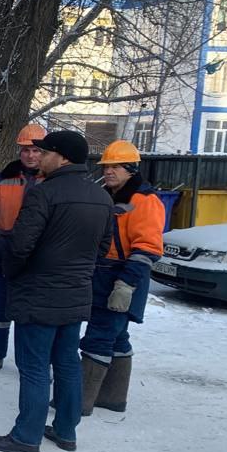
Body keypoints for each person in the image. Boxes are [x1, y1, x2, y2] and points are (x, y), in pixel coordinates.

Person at [0, 131, 113, 452]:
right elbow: (102, 249)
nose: (39, 157)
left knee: (35, 365)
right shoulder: (101, 197)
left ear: (63, 157)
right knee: (68, 362)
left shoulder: (44, 194)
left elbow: (21, 245)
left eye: (45, 152)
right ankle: (66, 430)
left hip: (38, 294)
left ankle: (26, 437)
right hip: (75, 293)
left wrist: (11, 271)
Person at [80, 140, 164, 415]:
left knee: (99, 337)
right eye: (106, 166)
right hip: (103, 272)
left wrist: (126, 283)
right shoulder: (107, 194)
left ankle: (79, 402)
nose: (109, 171)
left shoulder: (144, 200)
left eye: (115, 166)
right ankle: (113, 398)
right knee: (116, 337)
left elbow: (147, 248)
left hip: (123, 275)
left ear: (130, 169)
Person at [0, 123, 47, 375]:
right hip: (5, 249)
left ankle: (32, 361)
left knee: (34, 311)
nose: (31, 155)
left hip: (39, 254)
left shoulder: (53, 179)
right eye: (26, 150)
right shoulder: (2, 178)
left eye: (36, 150)